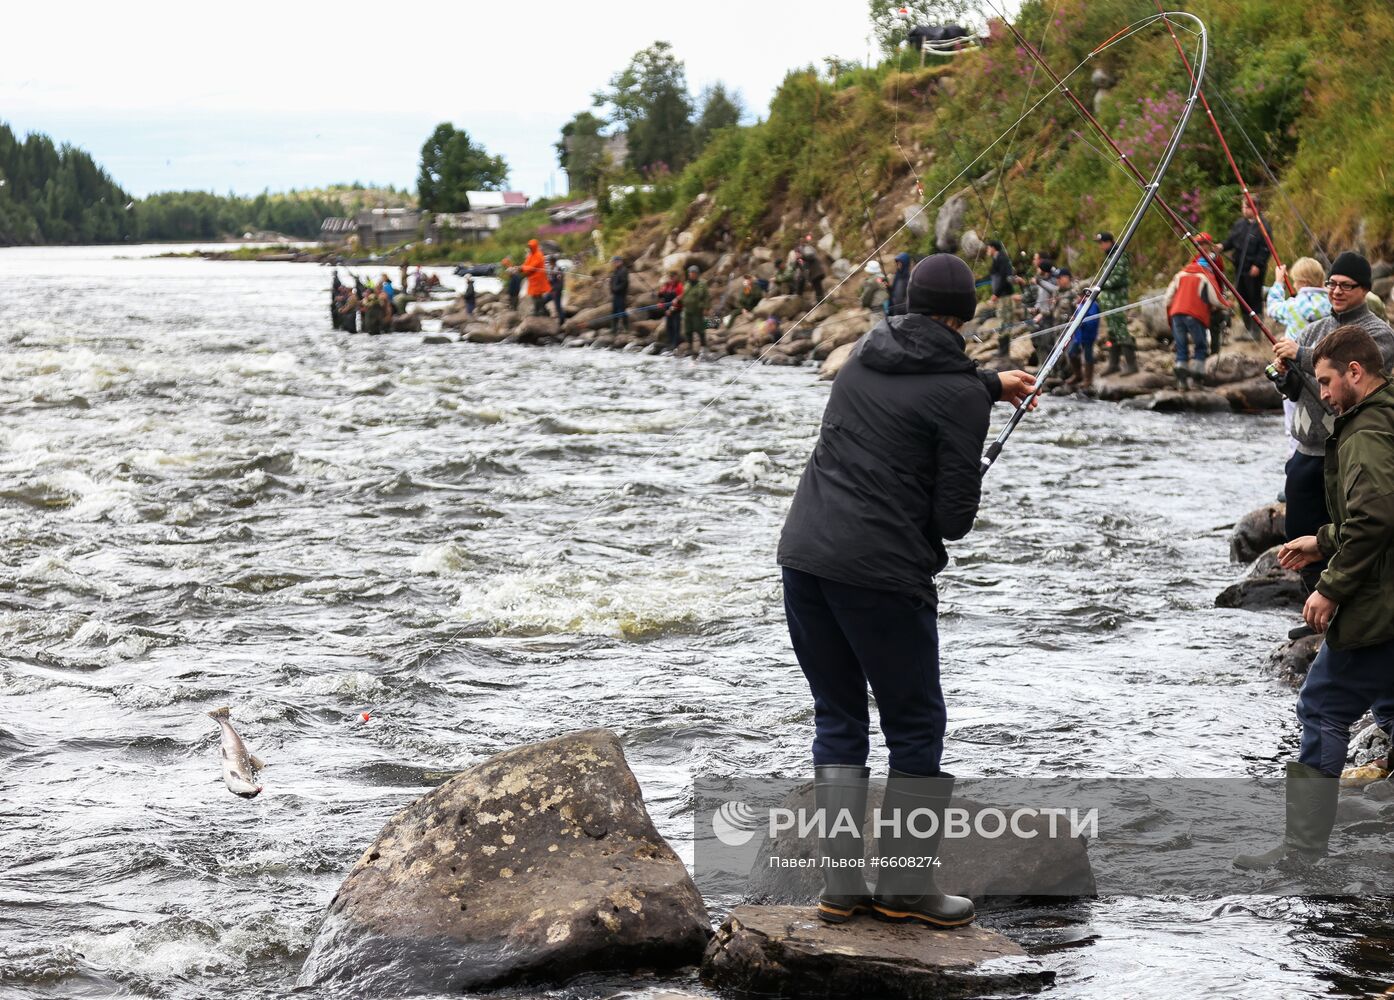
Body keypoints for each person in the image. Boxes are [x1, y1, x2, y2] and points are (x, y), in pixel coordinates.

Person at [777, 253, 1037, 928]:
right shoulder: (956, 398)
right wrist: (973, 440)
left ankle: (841, 886)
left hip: (804, 555)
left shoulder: (867, 350)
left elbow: (923, 381)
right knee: (915, 726)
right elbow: (952, 518)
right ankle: (904, 890)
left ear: (907, 301)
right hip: (882, 574)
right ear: (968, 312)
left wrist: (987, 385)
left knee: (838, 718)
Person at [1235, 326, 1394, 870]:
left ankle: (1301, 852)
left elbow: (1375, 517)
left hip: (1378, 605)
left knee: (1322, 706)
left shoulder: (1369, 432)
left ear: (1356, 372)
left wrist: (1330, 587)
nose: (1321, 393)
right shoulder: (1384, 417)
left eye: (1326, 381)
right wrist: (1322, 538)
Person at [1273, 252, 1394, 600]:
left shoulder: (1377, 334)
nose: (1336, 291)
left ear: (1365, 289)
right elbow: (1296, 389)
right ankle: (1311, 604)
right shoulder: (1313, 330)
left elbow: (1361, 371)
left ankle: (1339, 601)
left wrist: (1300, 356)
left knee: (1343, 528)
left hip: (1348, 447)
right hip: (1307, 449)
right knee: (1299, 530)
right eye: (1331, 284)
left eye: (1346, 285)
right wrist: (1284, 377)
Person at [1267, 257, 1331, 451]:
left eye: (1294, 281)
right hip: (1325, 370)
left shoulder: (1294, 306)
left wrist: (1279, 282)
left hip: (1296, 372)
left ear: (1301, 282)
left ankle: (1295, 457)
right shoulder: (1332, 303)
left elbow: (1273, 308)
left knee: (1294, 423)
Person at [1163, 245, 1229, 389]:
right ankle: (1197, 381)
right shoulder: (1205, 277)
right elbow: (1215, 299)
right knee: (1201, 346)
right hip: (1195, 315)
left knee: (1181, 347)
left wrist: (1172, 311)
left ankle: (1181, 383)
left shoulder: (1180, 274)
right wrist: (1227, 305)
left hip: (1176, 315)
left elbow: (1168, 298)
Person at [1219, 197, 1273, 339]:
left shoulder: (1263, 226)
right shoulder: (1239, 225)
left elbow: (1266, 248)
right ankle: (1248, 329)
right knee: (1241, 297)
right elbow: (1231, 241)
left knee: (1254, 297)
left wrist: (1258, 265)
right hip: (1239, 268)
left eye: (1246, 207)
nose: (1243, 210)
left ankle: (1256, 331)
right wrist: (1222, 246)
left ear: (1255, 208)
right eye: (1243, 207)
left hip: (1254, 270)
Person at [1094, 231, 1135, 374]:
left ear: (1109, 242)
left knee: (1121, 330)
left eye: (1102, 243)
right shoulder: (1110, 257)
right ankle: (1113, 364)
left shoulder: (1120, 256)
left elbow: (1118, 279)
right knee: (1112, 333)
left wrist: (1099, 286)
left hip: (1117, 301)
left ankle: (1131, 365)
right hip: (1108, 303)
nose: (1101, 246)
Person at [1194, 233, 1231, 356]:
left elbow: (1221, 277)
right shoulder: (1196, 259)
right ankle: (1203, 352)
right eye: (1199, 244)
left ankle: (1215, 353)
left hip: (1214, 295)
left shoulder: (1216, 259)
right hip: (1202, 298)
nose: (1202, 247)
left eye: (1204, 244)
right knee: (1201, 325)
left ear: (1209, 245)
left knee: (1214, 325)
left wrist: (1221, 297)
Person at [983, 241, 1017, 357]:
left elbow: (1004, 278)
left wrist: (996, 294)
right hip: (1002, 295)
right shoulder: (997, 259)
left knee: (1004, 321)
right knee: (1002, 320)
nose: (987, 250)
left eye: (988, 247)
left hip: (1004, 295)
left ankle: (1003, 350)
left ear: (993, 248)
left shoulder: (1001, 258)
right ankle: (1002, 350)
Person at [681, 264, 710, 352]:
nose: (692, 275)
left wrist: (706, 308)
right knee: (688, 329)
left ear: (697, 274)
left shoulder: (702, 285)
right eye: (690, 273)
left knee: (700, 328)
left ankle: (703, 345)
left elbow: (707, 297)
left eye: (694, 273)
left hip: (698, 310)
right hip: (687, 310)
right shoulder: (686, 284)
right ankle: (690, 346)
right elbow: (682, 296)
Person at [521, 239, 552, 316]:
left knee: (538, 296)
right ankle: (543, 311)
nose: (530, 248)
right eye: (529, 247)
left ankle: (538, 311)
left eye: (531, 246)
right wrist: (521, 267)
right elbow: (526, 264)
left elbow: (532, 267)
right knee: (535, 296)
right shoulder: (531, 255)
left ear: (535, 246)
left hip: (539, 280)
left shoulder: (539, 255)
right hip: (532, 280)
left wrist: (522, 268)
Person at [658, 269, 684, 350]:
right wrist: (661, 301)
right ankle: (670, 343)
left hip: (676, 311)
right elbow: (661, 296)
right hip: (667, 311)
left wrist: (670, 310)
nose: (671, 279)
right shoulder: (667, 286)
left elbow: (680, 298)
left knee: (676, 327)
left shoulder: (679, 286)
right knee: (669, 327)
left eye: (673, 277)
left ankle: (675, 344)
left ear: (676, 277)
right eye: (670, 277)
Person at [800, 236, 826, 303]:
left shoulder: (807, 248)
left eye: (801, 242)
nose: (801, 243)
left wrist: (802, 257)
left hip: (815, 270)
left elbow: (810, 256)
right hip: (815, 270)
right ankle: (821, 301)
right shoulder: (807, 248)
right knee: (818, 286)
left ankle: (821, 301)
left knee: (818, 286)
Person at [609, 256, 630, 333]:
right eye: (613, 262)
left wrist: (616, 289)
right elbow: (612, 281)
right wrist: (612, 289)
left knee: (622, 310)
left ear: (620, 261)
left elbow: (624, 283)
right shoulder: (616, 271)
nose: (614, 263)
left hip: (621, 294)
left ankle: (626, 327)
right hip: (615, 295)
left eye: (615, 262)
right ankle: (614, 328)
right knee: (614, 311)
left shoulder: (624, 270)